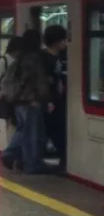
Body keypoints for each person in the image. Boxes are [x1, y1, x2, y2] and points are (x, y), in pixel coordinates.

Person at [0, 29, 51, 174]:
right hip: (30, 101)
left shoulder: (20, 58)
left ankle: (11, 155)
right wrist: (43, 98)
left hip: (18, 101)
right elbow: (38, 81)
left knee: (23, 131)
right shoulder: (33, 59)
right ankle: (31, 164)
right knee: (32, 134)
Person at [42, 24, 68, 172]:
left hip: (59, 99)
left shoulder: (60, 56)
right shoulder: (45, 58)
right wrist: (49, 100)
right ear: (57, 41)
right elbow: (44, 81)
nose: (65, 43)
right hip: (51, 101)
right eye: (63, 40)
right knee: (55, 130)